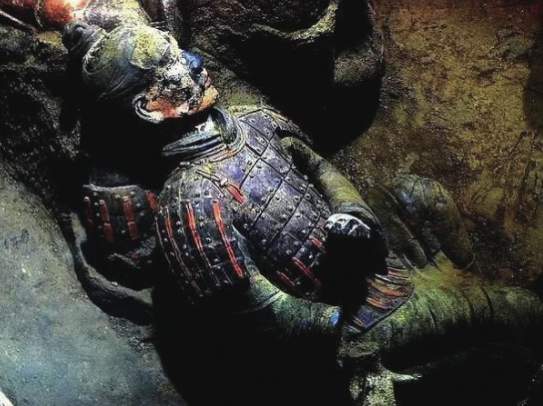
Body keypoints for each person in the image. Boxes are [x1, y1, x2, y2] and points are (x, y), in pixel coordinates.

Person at [64, 22, 543, 405]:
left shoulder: (253, 120)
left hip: (367, 266)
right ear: (150, 107)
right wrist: (337, 333)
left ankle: (461, 304)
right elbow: (254, 314)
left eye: (176, 48)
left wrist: (354, 214)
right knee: (518, 308)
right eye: (169, 64)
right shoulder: (189, 200)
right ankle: (477, 325)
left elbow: (319, 169)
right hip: (352, 323)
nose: (192, 60)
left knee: (416, 194)